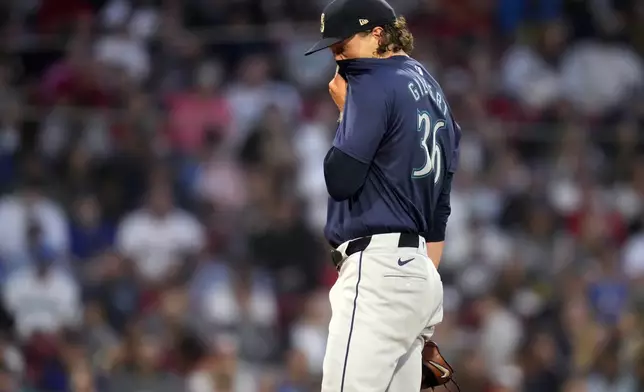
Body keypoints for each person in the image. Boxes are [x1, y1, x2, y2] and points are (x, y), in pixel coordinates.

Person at [304, 0, 461, 390]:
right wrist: (414, 288)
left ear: (378, 35)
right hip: (417, 274)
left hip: (378, 273)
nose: (337, 57)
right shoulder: (434, 92)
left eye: (343, 45)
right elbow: (438, 214)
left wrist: (346, 113)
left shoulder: (372, 80)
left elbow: (340, 179)